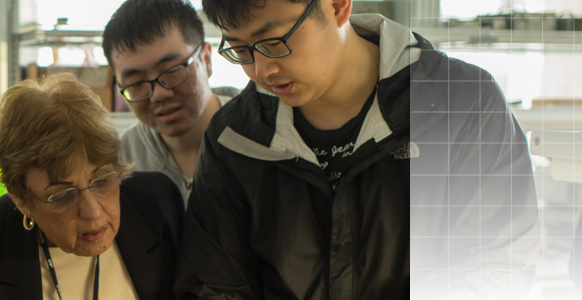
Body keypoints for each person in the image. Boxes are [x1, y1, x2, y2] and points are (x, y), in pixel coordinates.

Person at [175, 0, 538, 299]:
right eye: (239, 50)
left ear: (337, 6)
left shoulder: (462, 103)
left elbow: (497, 267)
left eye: (273, 42)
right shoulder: (234, 139)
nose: (261, 69)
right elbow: (215, 285)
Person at [0, 73, 184, 300]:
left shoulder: (158, 204)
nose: (92, 212)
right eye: (63, 195)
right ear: (20, 198)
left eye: (101, 181)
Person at [102, 0, 230, 204]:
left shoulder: (261, 133)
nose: (159, 94)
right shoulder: (120, 164)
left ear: (206, 59)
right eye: (136, 83)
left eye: (172, 71)